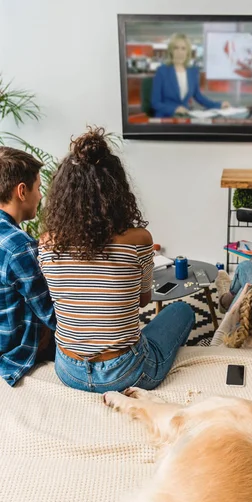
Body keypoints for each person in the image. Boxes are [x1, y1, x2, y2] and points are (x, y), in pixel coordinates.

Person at [39, 127, 194, 393]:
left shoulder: (47, 243)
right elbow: (144, 300)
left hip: (68, 369)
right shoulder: (138, 240)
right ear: (116, 191)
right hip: (125, 373)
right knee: (182, 311)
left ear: (63, 196)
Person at [0, 147, 56, 386]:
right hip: (12, 352)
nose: (41, 196)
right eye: (39, 187)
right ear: (22, 191)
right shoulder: (19, 247)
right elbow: (54, 318)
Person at [151, 33, 230, 118]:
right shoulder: (162, 71)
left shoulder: (193, 71)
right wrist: (174, 109)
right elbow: (155, 103)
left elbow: (198, 96)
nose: (179, 52)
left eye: (183, 49)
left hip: (185, 117)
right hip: (165, 118)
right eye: (176, 48)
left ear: (187, 52)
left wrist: (218, 105)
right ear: (171, 51)